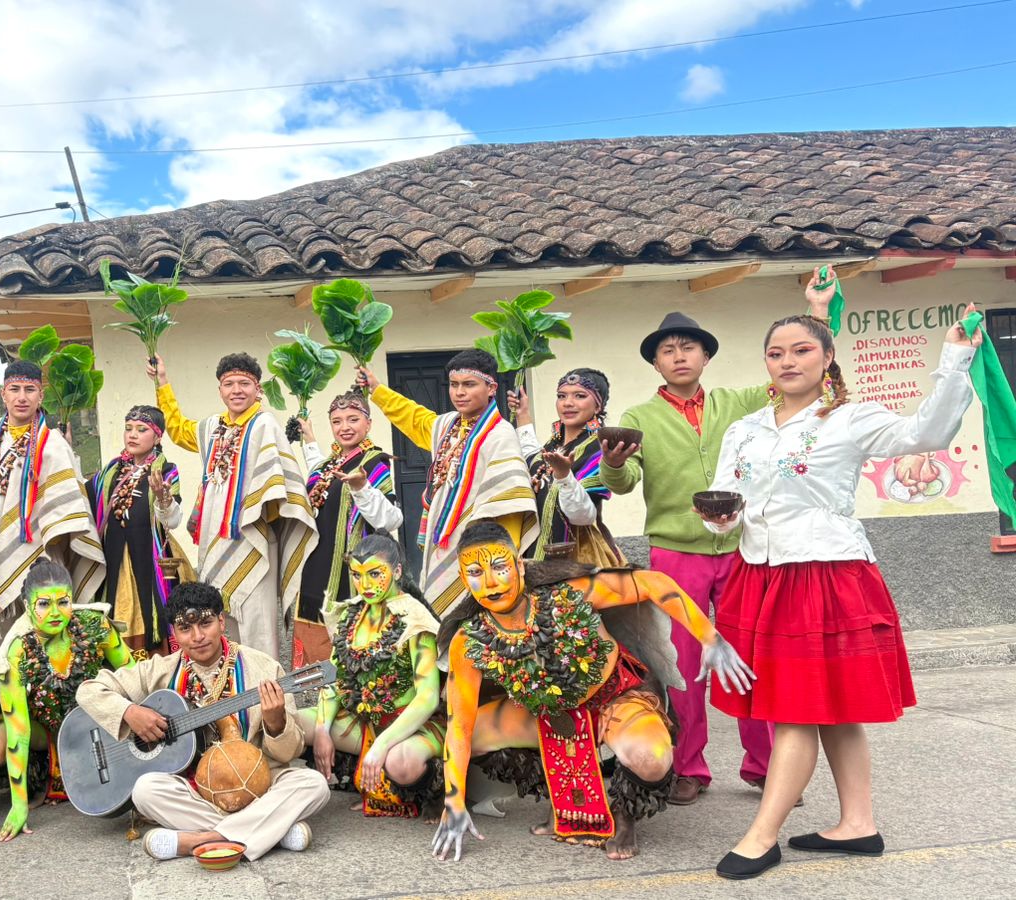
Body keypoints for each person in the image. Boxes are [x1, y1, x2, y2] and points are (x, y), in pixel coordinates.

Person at [703, 297, 981, 880]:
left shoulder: (851, 419)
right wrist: (722, 521)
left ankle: (763, 834)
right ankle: (858, 824)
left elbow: (927, 431)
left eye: (802, 350)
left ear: (828, 358)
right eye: (775, 353)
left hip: (825, 573)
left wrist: (953, 360)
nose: (787, 361)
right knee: (829, 710)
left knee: (798, 709)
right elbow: (724, 500)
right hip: (760, 574)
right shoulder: (744, 429)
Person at [602, 293, 820, 807]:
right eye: (668, 350)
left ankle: (763, 765)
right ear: (655, 362)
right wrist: (612, 463)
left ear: (705, 357)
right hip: (676, 553)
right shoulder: (640, 415)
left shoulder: (740, 403)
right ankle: (688, 766)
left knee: (746, 655)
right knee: (683, 662)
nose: (679, 356)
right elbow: (627, 480)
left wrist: (816, 312)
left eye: (689, 348)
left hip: (742, 546)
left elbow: (804, 379)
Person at [431, 520, 753, 863]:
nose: (491, 583)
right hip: (549, 714)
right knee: (468, 736)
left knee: (651, 757)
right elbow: (460, 727)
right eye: (476, 573)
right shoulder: (468, 640)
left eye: (499, 567)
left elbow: (652, 582)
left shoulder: (570, 593)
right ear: (464, 581)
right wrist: (454, 802)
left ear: (520, 566)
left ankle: (624, 814)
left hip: (616, 700)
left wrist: (710, 638)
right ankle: (561, 799)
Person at [75, 581, 331, 861]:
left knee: (313, 785)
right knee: (146, 790)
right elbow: (88, 690)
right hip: (195, 789)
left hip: (258, 784)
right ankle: (271, 831)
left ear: (222, 622)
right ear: (174, 633)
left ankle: (202, 839)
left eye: (206, 623)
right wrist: (129, 713)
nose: (197, 636)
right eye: (185, 628)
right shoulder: (159, 670)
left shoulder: (265, 669)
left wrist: (276, 723)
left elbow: (288, 753)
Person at [149, 352, 318, 660]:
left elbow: (282, 484)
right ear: (220, 390)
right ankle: (226, 696)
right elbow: (178, 429)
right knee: (217, 626)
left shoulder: (265, 425)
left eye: (245, 383)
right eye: (229, 384)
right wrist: (162, 383)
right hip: (215, 544)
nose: (236, 390)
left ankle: (264, 700)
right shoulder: (212, 427)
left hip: (253, 541)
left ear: (258, 389)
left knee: (258, 631)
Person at [0, 361, 105, 647]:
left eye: (29, 389)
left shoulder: (54, 444)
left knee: (46, 637)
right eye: (15, 389)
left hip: (42, 553)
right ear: (3, 394)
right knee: (8, 642)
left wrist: (48, 541)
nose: (22, 397)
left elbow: (69, 504)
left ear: (41, 395)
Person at [356, 349, 537, 623]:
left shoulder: (501, 435)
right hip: (442, 543)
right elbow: (413, 417)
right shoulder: (446, 425)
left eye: (469, 384)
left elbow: (509, 503)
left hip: (480, 550)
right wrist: (377, 389)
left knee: (479, 622)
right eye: (454, 385)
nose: (459, 392)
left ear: (491, 388)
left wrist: (498, 559)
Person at [0, 558, 134, 840]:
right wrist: (18, 804)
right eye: (44, 604)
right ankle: (46, 773)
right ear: (28, 607)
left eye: (63, 602)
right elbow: (19, 731)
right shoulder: (17, 652)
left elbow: (133, 674)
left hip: (96, 723)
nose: (55, 612)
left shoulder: (96, 625)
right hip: (46, 730)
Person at [300, 532, 441, 818]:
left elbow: (427, 699)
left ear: (397, 571)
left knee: (401, 762)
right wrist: (322, 728)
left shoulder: (415, 619)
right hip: (364, 721)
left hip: (412, 727)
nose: (364, 585)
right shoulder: (352, 615)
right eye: (356, 575)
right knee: (290, 723)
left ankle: (438, 788)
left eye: (375, 574)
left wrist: (382, 745)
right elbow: (336, 677)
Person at [293, 392, 403, 664]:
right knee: (320, 657)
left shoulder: (374, 461)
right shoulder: (327, 464)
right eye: (337, 421)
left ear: (368, 423)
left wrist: (361, 488)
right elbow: (322, 478)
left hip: (352, 571)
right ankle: (328, 694)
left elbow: (390, 520)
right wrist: (308, 438)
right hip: (316, 566)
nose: (345, 427)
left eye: (353, 419)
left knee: (357, 650)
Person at [87, 405, 192, 655]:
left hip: (151, 557)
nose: (132, 435)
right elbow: (84, 500)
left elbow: (173, 520)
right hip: (113, 558)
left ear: (157, 436)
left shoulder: (166, 470)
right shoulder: (109, 472)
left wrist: (163, 499)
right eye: (128, 429)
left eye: (141, 429)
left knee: (155, 610)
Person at [506, 368, 625, 565]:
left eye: (579, 396)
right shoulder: (555, 443)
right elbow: (532, 458)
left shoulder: (600, 448)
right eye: (561, 396)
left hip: (574, 558)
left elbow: (583, 516)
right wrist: (523, 414)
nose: (568, 403)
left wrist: (564, 476)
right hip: (532, 554)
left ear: (598, 406)